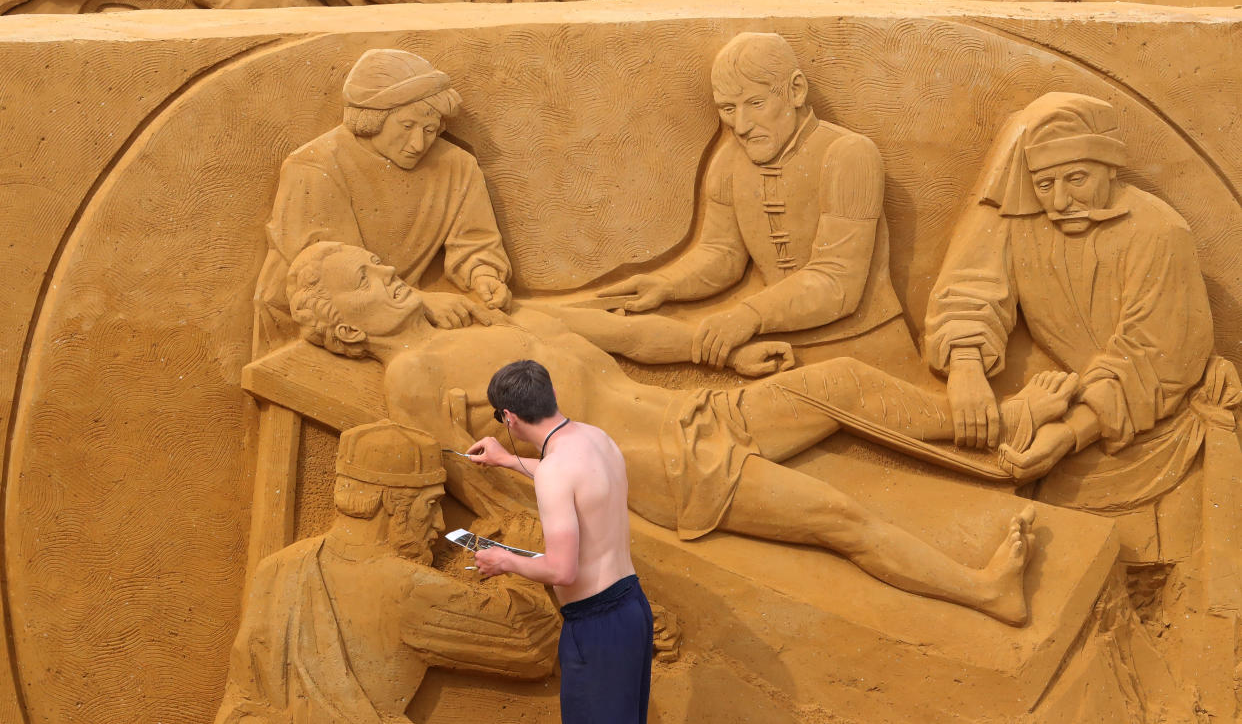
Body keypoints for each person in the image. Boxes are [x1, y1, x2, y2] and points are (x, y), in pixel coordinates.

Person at [285, 240, 1040, 625]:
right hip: (660, 467)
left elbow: (633, 338)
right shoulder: (413, 377)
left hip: (697, 413)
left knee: (838, 382)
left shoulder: (490, 317)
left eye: (373, 257)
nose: (383, 268)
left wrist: (727, 352)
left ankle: (993, 422)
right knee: (837, 516)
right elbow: (471, 479)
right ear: (348, 325)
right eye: (362, 276)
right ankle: (986, 592)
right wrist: (513, 547)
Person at [926, 92, 1239, 514]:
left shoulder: (1159, 232)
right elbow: (971, 290)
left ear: (1110, 168)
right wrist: (965, 367)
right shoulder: (1023, 223)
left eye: (1076, 179)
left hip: (1163, 438)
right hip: (1061, 431)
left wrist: (1070, 433)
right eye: (1043, 184)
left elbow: (1154, 359)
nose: (1058, 202)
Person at [599, 32, 913, 373]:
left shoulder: (849, 155)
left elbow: (838, 280)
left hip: (865, 347)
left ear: (795, 91)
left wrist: (749, 315)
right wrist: (666, 285)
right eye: (728, 109)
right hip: (774, 347)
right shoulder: (728, 163)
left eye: (756, 103)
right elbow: (723, 254)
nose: (742, 126)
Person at [215, 420, 558, 724]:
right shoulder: (408, 589)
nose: (440, 524)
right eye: (430, 505)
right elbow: (530, 644)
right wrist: (519, 556)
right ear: (390, 503)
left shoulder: (277, 568)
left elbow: (244, 703)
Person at [253, 48, 512, 351]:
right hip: (315, 325)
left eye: (429, 130)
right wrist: (420, 302)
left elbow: (475, 242)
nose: (418, 144)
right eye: (406, 126)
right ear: (373, 118)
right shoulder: (315, 165)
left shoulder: (457, 166)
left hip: (395, 316)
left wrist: (483, 275)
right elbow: (332, 276)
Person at [467, 360, 652, 724]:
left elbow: (562, 571)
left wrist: (503, 560)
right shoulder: (596, 438)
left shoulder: (555, 471)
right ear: (552, 394)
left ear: (508, 417)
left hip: (596, 625)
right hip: (632, 608)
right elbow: (576, 481)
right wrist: (508, 460)